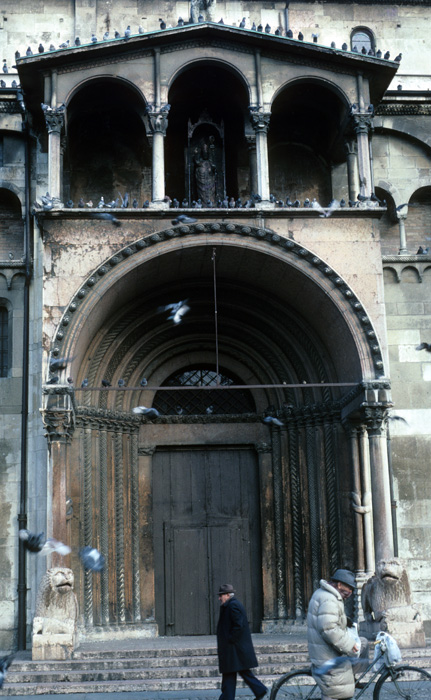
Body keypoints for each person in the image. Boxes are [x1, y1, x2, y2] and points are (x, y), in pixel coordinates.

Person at [307, 569, 369, 700]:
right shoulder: (329, 599)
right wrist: (349, 645)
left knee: (363, 643)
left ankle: (352, 677)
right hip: (327, 655)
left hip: (325, 649)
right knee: (337, 692)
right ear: (339, 585)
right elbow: (329, 629)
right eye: (349, 588)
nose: (351, 593)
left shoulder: (325, 594)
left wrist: (346, 621)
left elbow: (329, 619)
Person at [216, 583, 268, 700]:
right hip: (234, 649)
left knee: (233, 673)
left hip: (235, 648)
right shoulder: (230, 605)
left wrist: (230, 639)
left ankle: (259, 690)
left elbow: (238, 626)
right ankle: (259, 690)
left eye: (221, 595)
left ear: (228, 595)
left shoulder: (233, 606)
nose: (219, 598)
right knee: (237, 673)